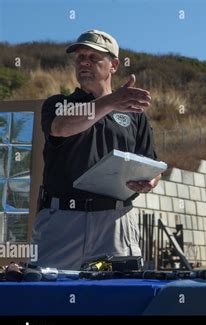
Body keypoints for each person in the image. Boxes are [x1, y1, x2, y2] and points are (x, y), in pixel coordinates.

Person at [32, 29, 160, 270]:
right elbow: (61, 127)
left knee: (117, 301)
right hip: (61, 222)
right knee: (49, 299)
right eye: (80, 57)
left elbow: (152, 164)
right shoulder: (60, 104)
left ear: (113, 64)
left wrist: (150, 181)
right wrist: (110, 101)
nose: (85, 63)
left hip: (116, 224)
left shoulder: (135, 116)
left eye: (93, 57)